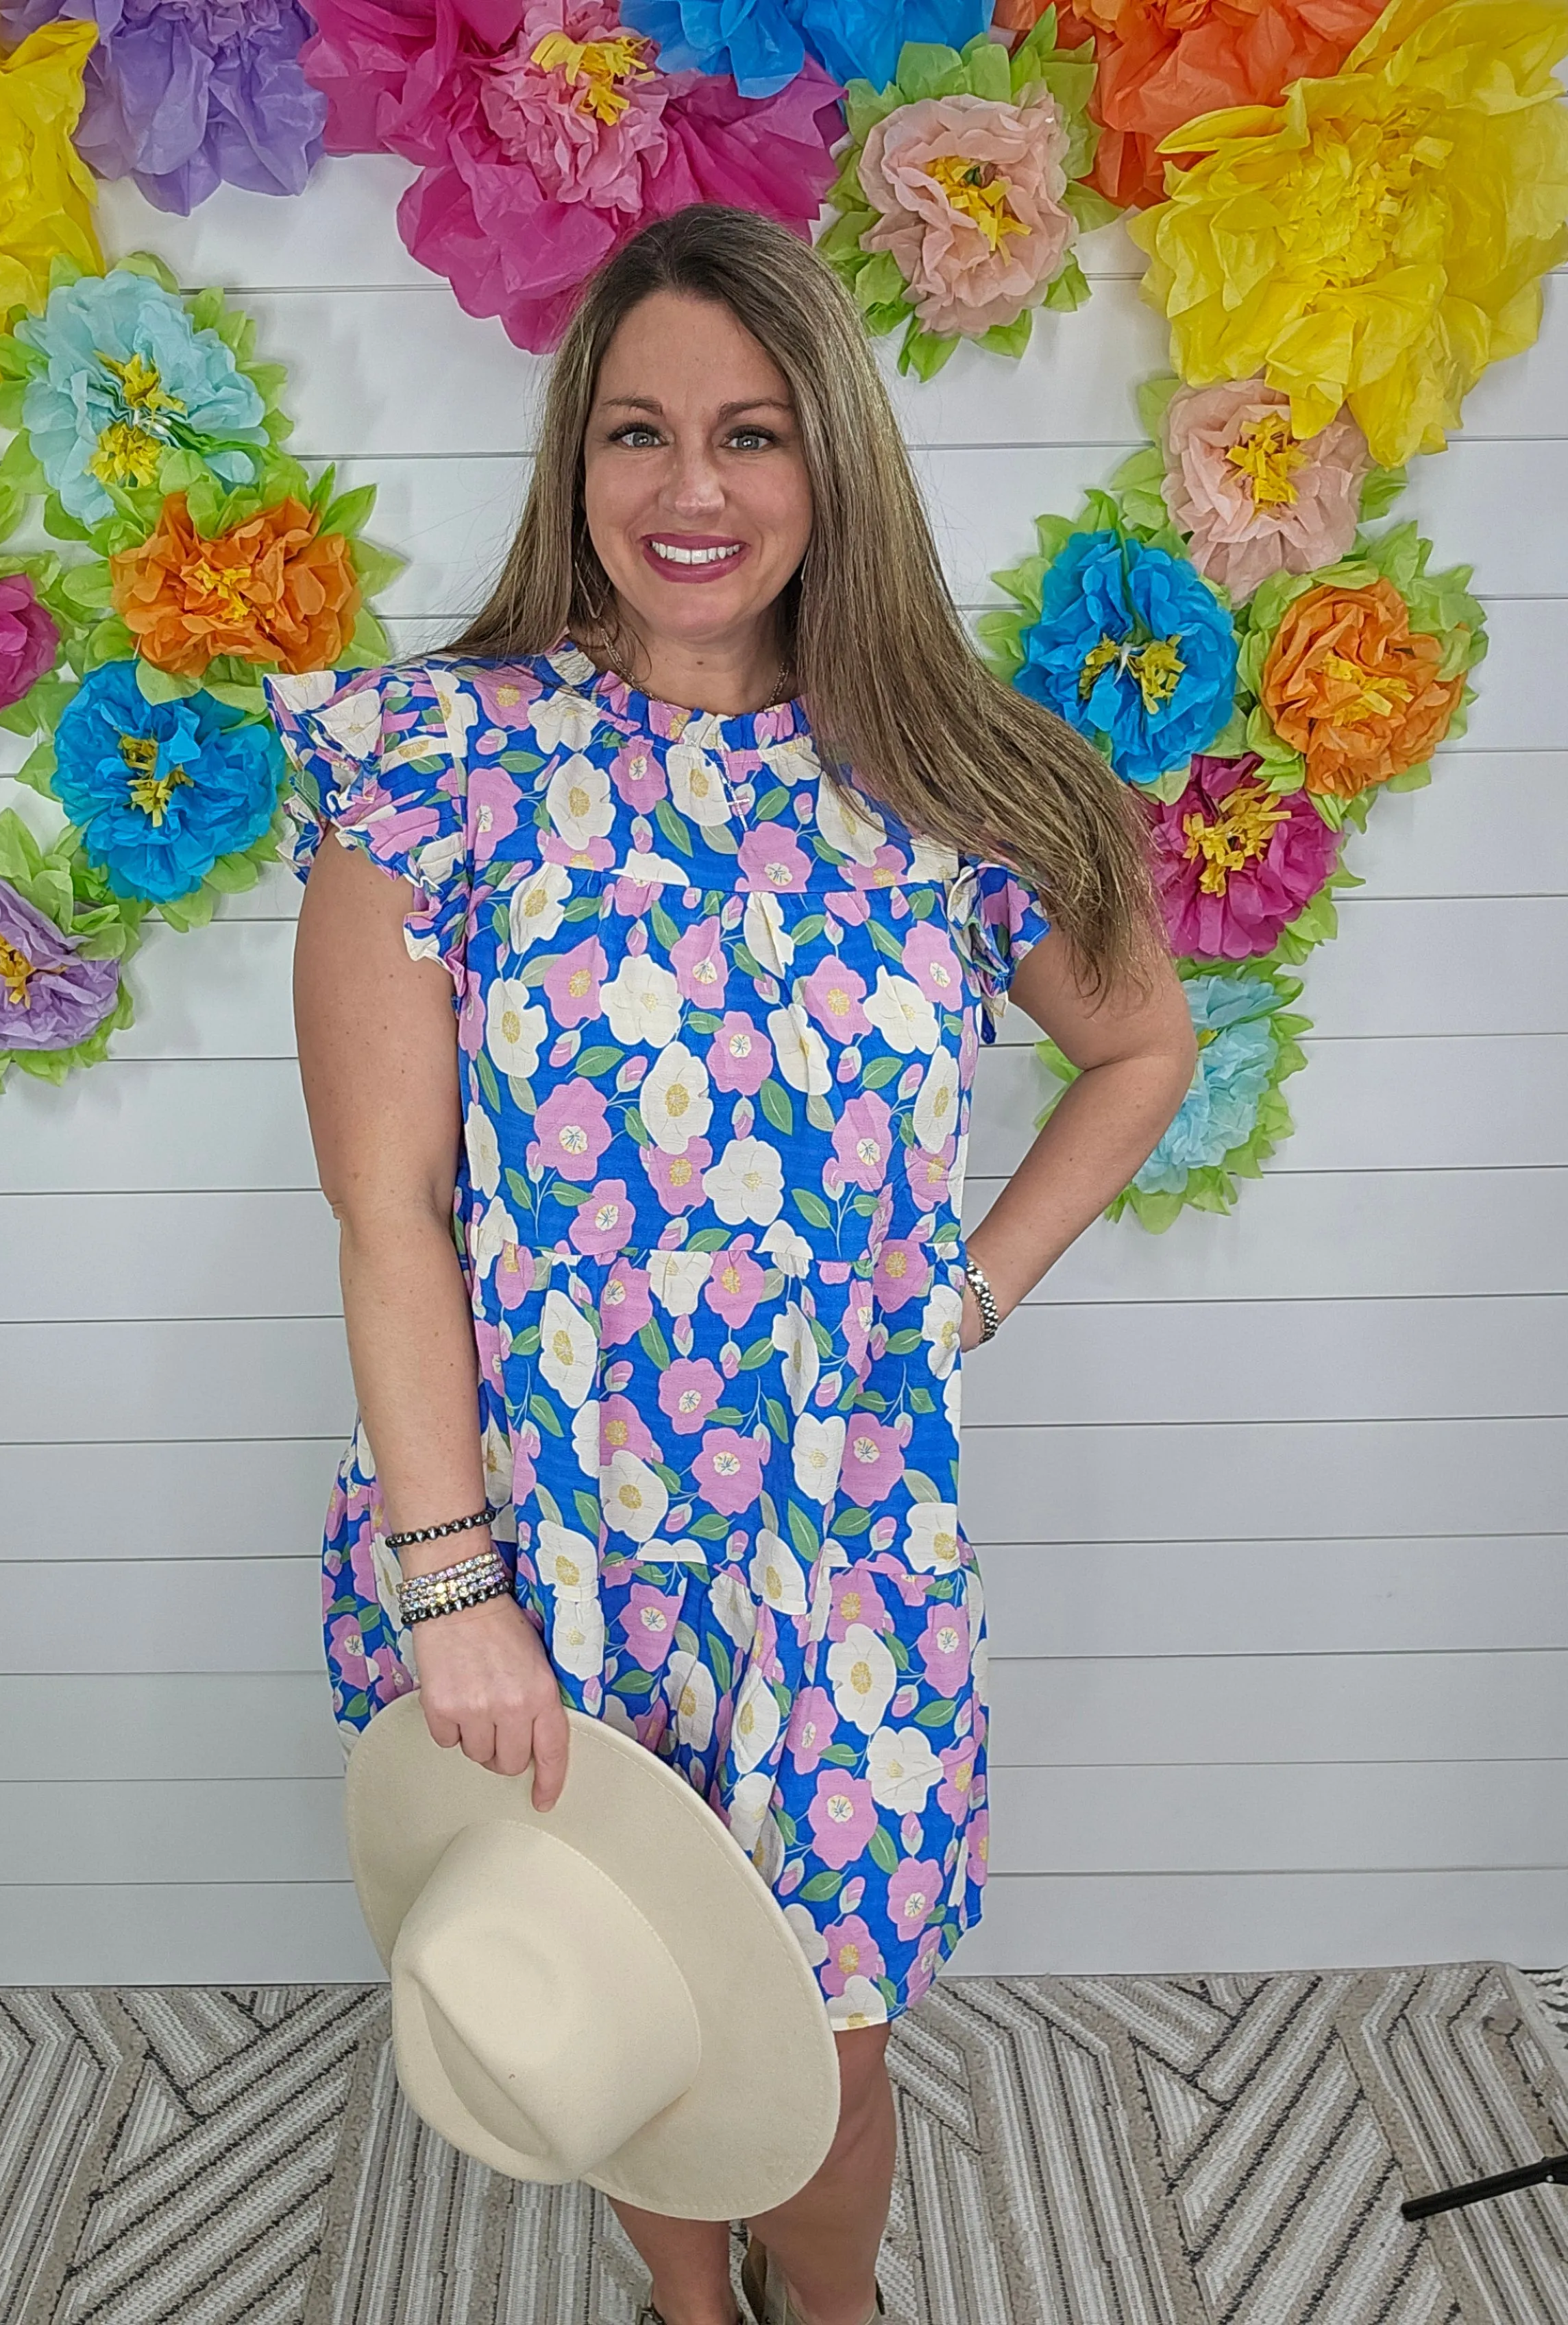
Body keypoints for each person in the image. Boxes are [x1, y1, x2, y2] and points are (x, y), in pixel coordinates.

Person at [270, 204, 1196, 2325]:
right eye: (640, 434)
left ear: (832, 466)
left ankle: (829, 2307)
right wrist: (455, 1584)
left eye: (754, 435)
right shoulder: (438, 773)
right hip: (547, 1538)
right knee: (624, 1999)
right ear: (573, 466)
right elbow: (386, 1210)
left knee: (826, 2060)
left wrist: (961, 1298)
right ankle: (692, 2308)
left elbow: (1144, 1044)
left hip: (838, 1552)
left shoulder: (951, 785)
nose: (692, 492)